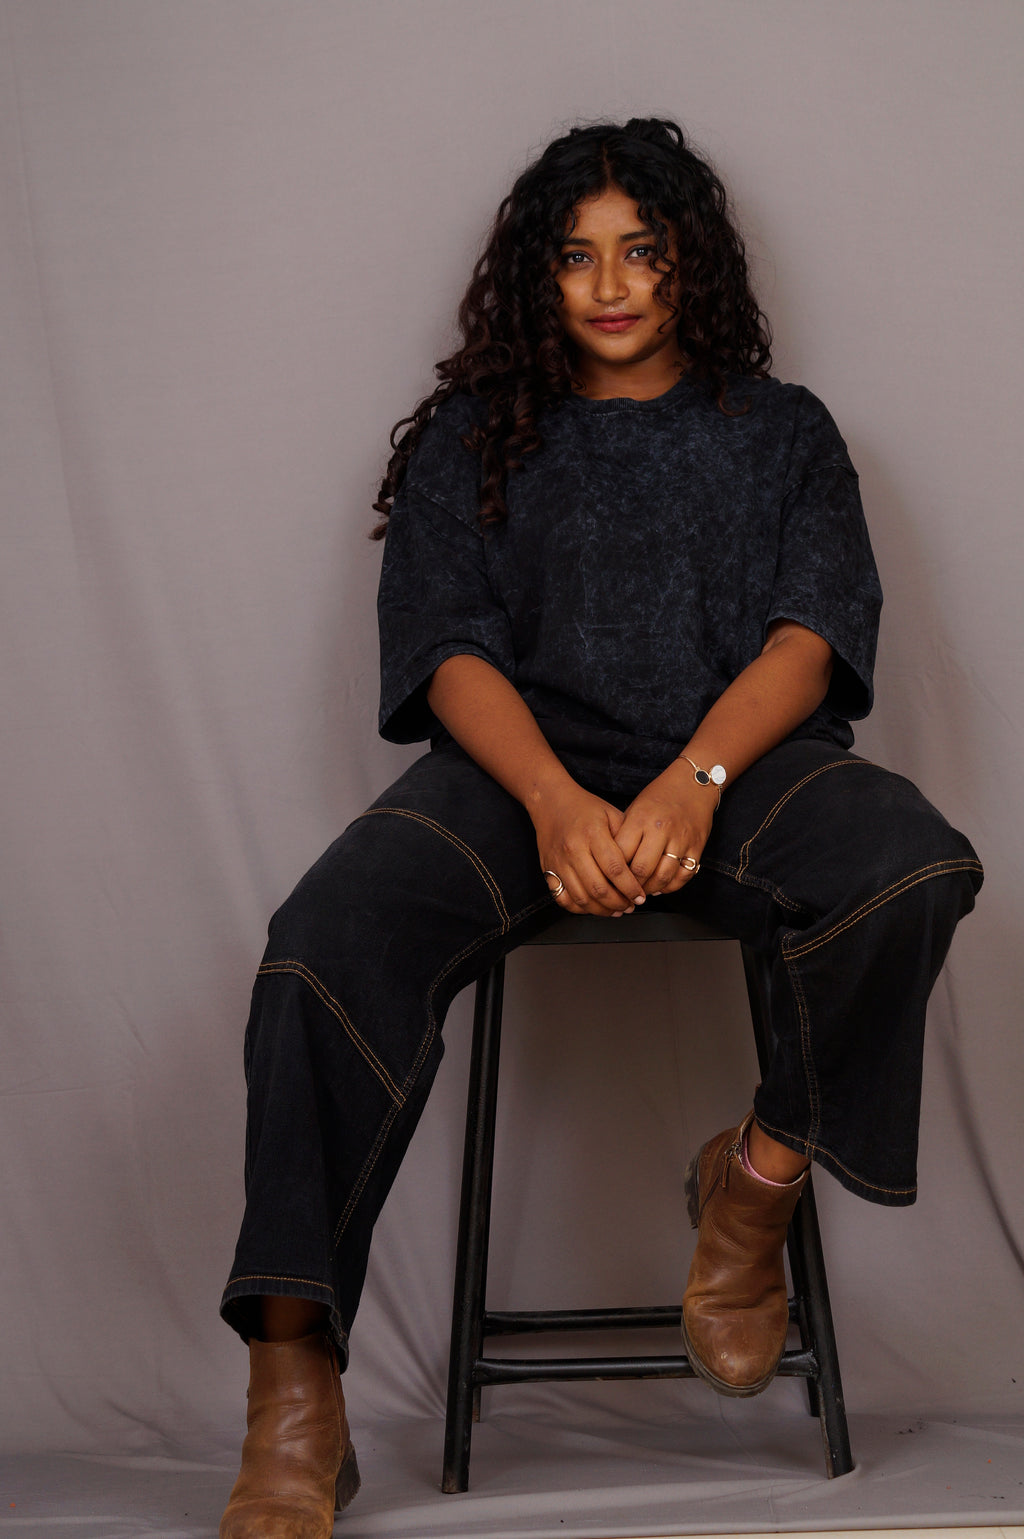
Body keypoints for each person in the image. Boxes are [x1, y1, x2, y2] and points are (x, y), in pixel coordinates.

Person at [217, 118, 983, 1537]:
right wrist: (560, 801)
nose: (612, 282)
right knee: (319, 946)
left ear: (691, 261)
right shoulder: (473, 435)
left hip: (734, 766)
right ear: (536, 279)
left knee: (912, 865)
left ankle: (750, 1187)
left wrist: (691, 781)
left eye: (643, 249)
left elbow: (811, 639)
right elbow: (445, 644)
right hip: (517, 780)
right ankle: (291, 1384)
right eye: (576, 257)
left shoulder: (782, 431)